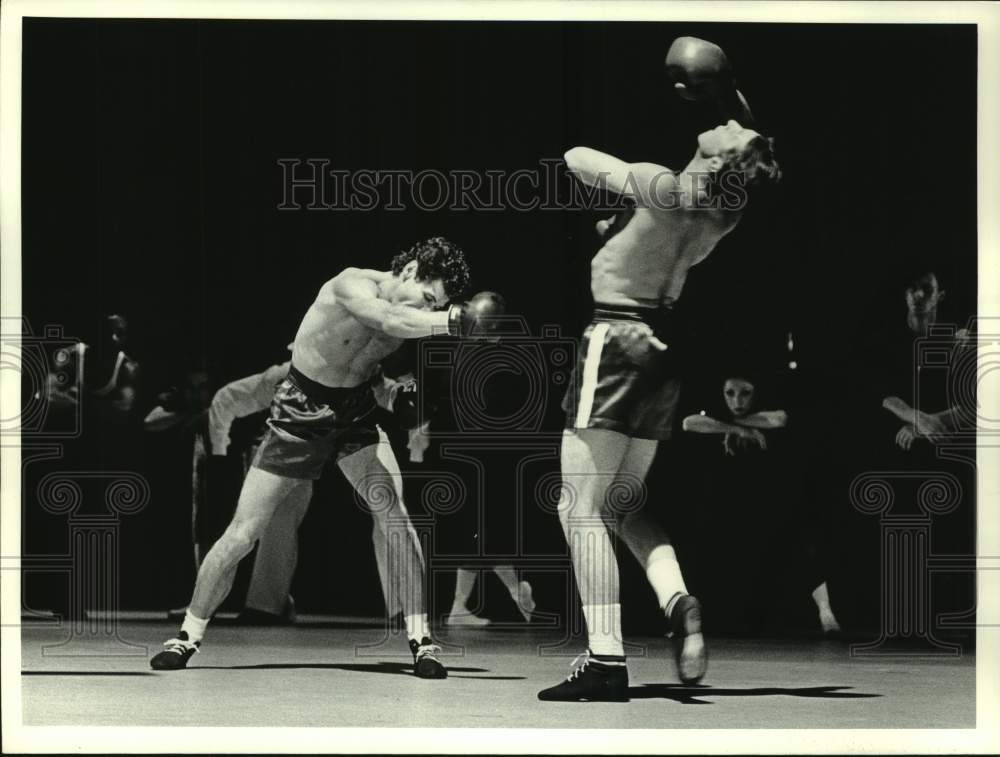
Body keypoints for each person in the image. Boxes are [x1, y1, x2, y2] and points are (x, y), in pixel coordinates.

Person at [538, 37, 781, 702]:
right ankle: (677, 600)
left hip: (614, 340)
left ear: (713, 156)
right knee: (626, 503)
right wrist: (732, 102)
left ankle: (605, 658)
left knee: (577, 506)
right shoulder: (724, 213)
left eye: (718, 132)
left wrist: (623, 194)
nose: (711, 125)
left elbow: (575, 158)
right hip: (663, 354)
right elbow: (739, 146)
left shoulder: (662, 184)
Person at [150, 237, 504, 678]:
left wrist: (399, 396)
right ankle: (187, 635)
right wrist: (452, 321)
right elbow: (388, 317)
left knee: (394, 515)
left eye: (438, 305)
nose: (429, 308)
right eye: (429, 298)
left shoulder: (413, 314)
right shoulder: (350, 285)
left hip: (354, 414)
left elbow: (372, 365)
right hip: (301, 411)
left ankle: (422, 640)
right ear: (411, 271)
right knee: (245, 532)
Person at [682, 374, 842, 636]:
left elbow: (778, 419)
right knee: (706, 551)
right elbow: (689, 423)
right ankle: (689, 620)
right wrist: (736, 429)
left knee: (803, 549)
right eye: (730, 393)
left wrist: (729, 424)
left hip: (773, 497)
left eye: (745, 393)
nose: (737, 400)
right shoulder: (718, 419)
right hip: (733, 501)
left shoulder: (767, 413)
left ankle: (826, 613)